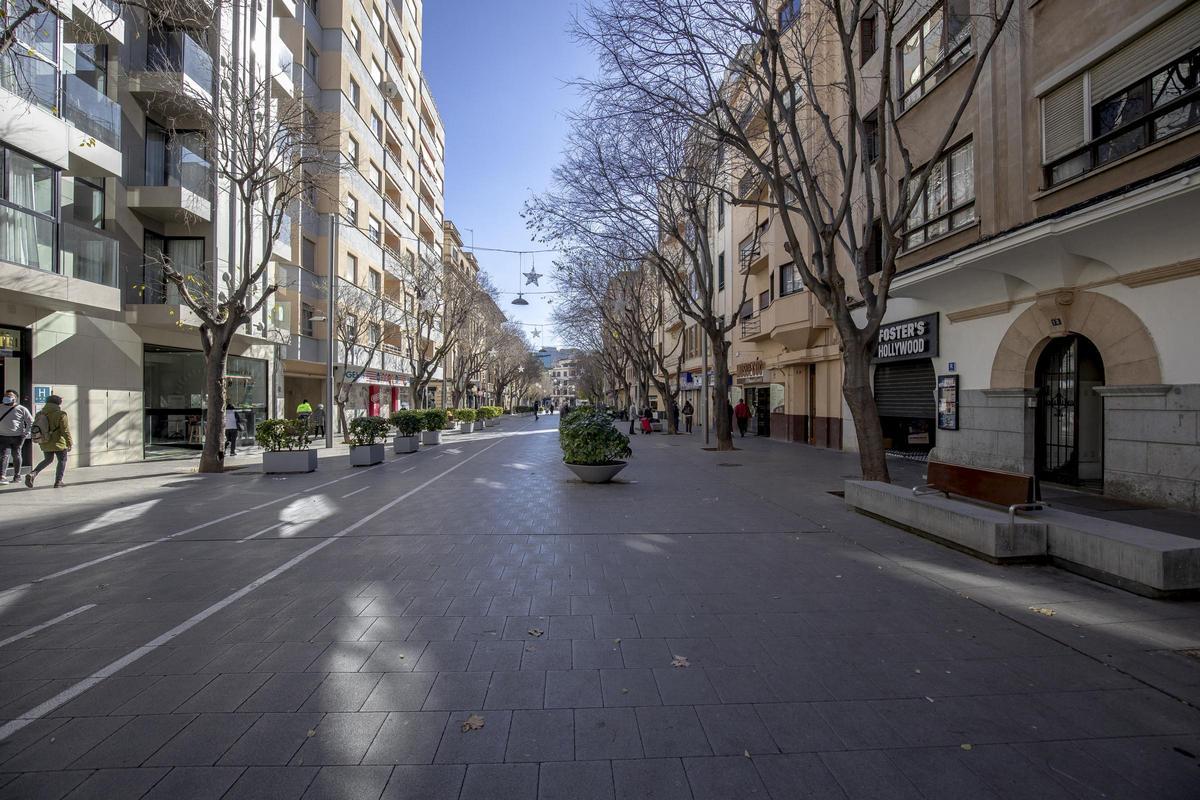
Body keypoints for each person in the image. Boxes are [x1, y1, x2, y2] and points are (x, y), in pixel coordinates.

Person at [26, 394, 71, 488]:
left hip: (44, 440)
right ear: (59, 403)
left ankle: (33, 473)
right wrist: (69, 442)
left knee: (48, 459)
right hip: (58, 442)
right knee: (62, 460)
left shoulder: (40, 413)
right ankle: (58, 481)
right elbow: (65, 430)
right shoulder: (61, 414)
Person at [0, 389, 33, 484]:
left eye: (10, 396)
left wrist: (26, 433)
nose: (7, 397)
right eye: (6, 395)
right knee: (4, 456)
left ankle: (17, 475)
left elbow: (30, 421)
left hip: (18, 437)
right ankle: (2, 476)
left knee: (16, 455)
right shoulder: (0, 407)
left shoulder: (21, 409)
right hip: (2, 436)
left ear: (15, 398)